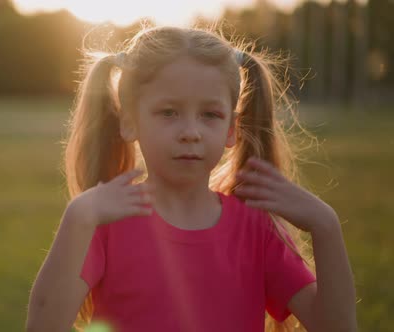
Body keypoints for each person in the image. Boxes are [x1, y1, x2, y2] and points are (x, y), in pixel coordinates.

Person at [26, 26, 357, 332]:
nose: (190, 133)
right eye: (169, 112)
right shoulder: (104, 223)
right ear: (128, 121)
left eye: (210, 115)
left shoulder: (256, 229)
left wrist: (325, 226)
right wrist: (77, 219)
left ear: (231, 129)